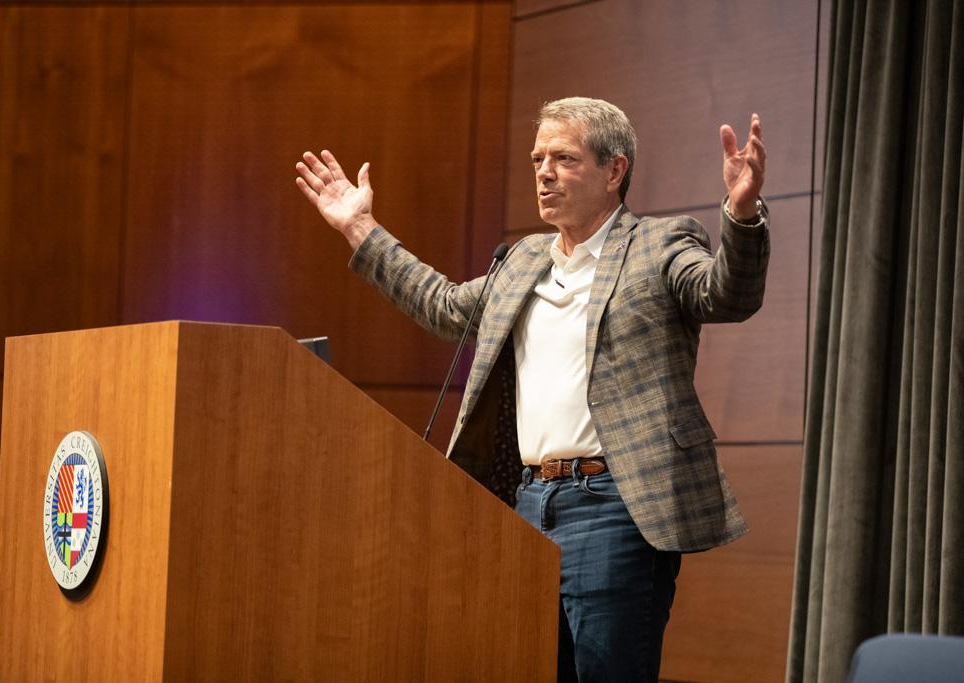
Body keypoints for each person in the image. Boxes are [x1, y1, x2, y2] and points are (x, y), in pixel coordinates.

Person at [295, 97, 768, 683]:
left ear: (614, 170)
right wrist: (359, 227)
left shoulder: (661, 243)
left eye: (563, 158)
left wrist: (742, 216)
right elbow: (444, 307)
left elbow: (725, 295)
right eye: (537, 158)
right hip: (523, 507)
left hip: (615, 507)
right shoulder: (520, 262)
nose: (543, 172)